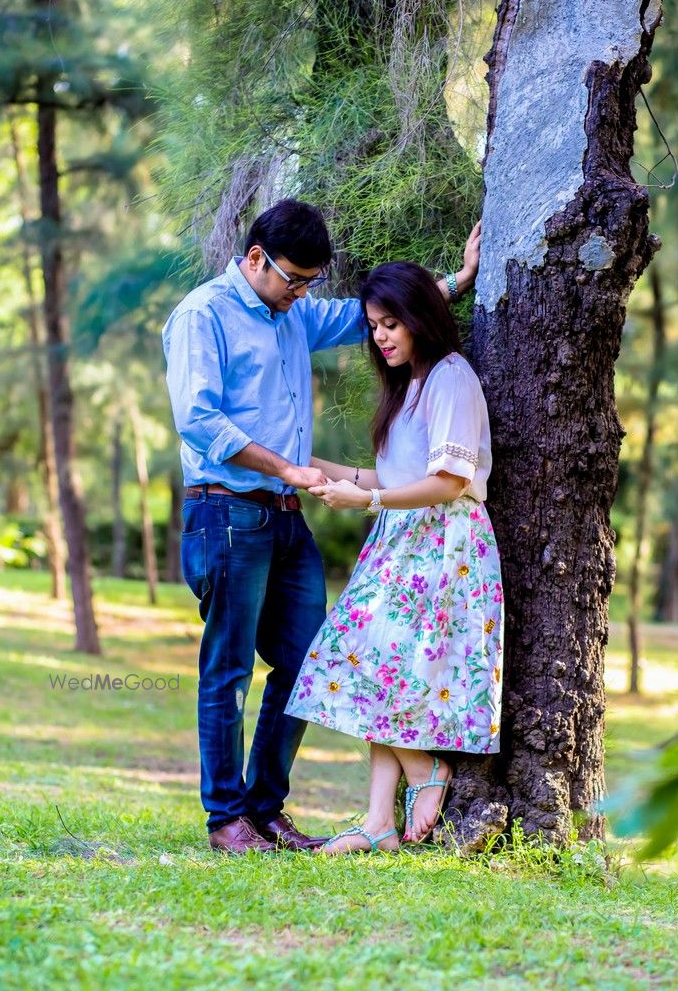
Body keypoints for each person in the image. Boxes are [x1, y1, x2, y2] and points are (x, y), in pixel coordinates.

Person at [162, 199, 480, 853]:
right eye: (293, 280)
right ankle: (226, 819)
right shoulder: (204, 316)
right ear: (255, 259)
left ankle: (265, 807)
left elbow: (360, 319)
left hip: (284, 516)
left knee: (310, 660)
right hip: (226, 511)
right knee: (227, 668)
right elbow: (200, 421)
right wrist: (286, 466)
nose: (302, 295)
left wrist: (457, 279)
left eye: (310, 283)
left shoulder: (292, 313)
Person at [286, 260, 503, 853]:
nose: (380, 336)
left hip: (442, 543)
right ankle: (380, 820)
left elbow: (450, 480)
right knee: (372, 662)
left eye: (391, 324)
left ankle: (425, 771)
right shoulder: (410, 383)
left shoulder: (452, 377)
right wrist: (310, 469)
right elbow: (385, 474)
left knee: (365, 659)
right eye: (373, 325)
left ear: (418, 321)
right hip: (400, 539)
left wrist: (370, 498)